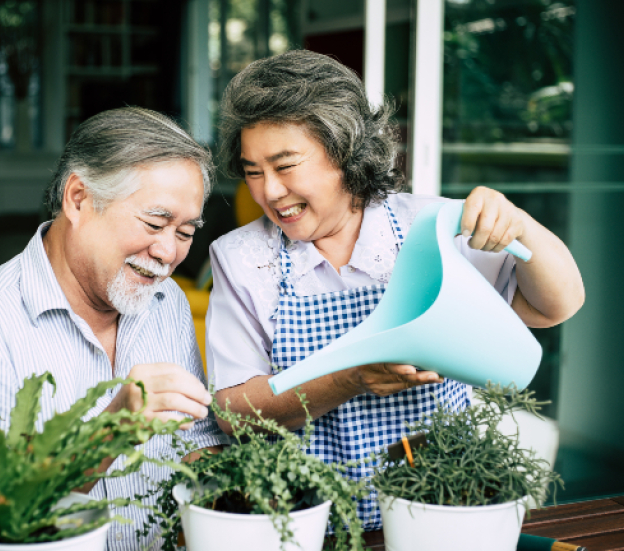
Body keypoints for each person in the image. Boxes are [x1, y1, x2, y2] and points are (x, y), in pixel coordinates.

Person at [206, 50, 585, 531]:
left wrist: (522, 226)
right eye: (253, 171)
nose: (269, 192)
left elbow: (555, 306)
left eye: (285, 166)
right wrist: (351, 377)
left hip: (439, 507)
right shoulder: (241, 258)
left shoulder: (430, 227)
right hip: (309, 523)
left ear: (343, 150)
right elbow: (235, 412)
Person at [0, 107, 228, 550]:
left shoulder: (166, 301)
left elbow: (198, 440)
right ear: (78, 198)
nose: (167, 252)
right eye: (155, 223)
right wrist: (109, 431)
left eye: (186, 231)